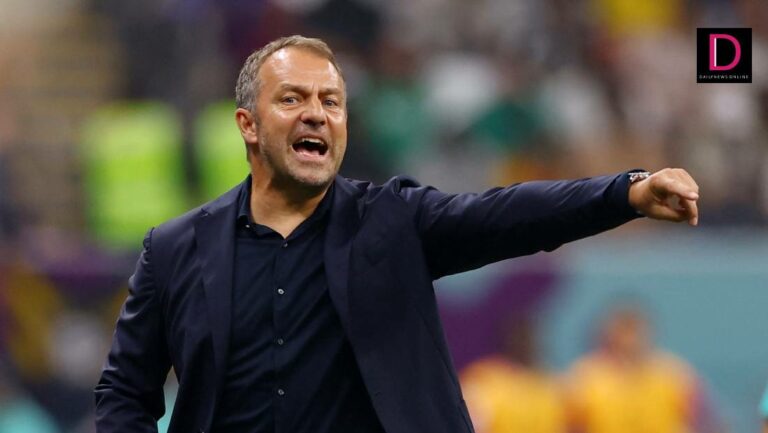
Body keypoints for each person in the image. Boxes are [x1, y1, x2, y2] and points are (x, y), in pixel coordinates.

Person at [94, 35, 700, 433]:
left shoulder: (393, 222)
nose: (317, 113)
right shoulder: (174, 250)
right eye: (293, 98)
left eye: (331, 102)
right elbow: (125, 391)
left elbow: (508, 214)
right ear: (248, 125)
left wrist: (626, 192)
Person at [565, 304, 724, 433]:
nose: (629, 339)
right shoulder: (584, 378)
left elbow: (710, 423)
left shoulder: (674, 374)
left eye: (634, 330)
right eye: (623, 330)